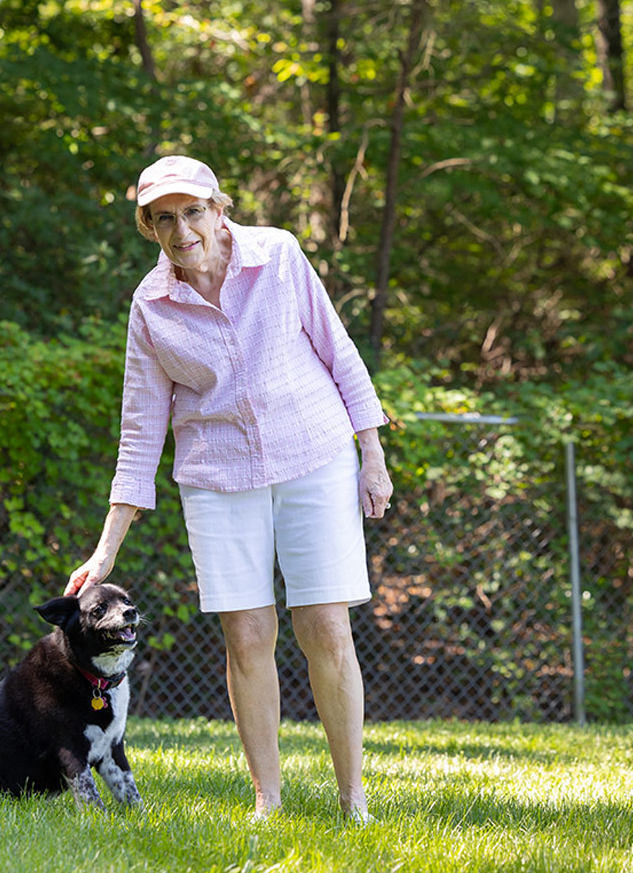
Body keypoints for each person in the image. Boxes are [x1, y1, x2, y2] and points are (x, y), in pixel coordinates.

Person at [65, 155, 393, 823]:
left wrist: (373, 453)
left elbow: (339, 350)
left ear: (220, 210)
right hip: (218, 478)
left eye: (191, 212)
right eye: (163, 218)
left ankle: (352, 797)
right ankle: (266, 800)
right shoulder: (150, 306)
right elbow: (139, 433)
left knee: (327, 629)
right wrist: (104, 553)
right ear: (150, 229)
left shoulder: (277, 255)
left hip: (315, 456)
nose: (180, 229)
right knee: (247, 638)